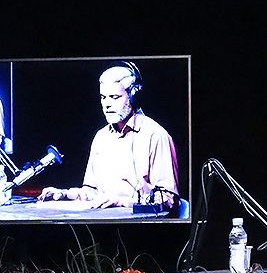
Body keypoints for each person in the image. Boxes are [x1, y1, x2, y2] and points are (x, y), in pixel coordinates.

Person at [39, 62, 179, 209]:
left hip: (139, 222)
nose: (107, 104)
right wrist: (64, 194)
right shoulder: (101, 137)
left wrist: (123, 202)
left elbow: (169, 199)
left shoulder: (156, 136)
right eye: (103, 97)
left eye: (114, 97)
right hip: (103, 221)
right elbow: (92, 193)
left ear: (133, 96)